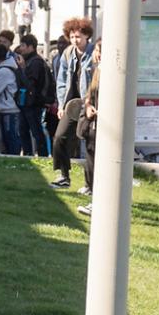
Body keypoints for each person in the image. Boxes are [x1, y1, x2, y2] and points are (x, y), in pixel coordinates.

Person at [50, 17, 96, 189]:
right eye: (72, 37)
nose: (75, 40)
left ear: (87, 36)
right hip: (71, 105)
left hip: (89, 105)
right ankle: (63, 176)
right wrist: (62, 105)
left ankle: (90, 184)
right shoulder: (68, 53)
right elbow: (61, 81)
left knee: (90, 144)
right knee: (59, 138)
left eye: (79, 37)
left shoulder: (94, 53)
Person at [77, 39, 102, 214]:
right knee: (91, 154)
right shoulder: (96, 68)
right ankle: (92, 190)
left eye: (102, 51)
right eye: (98, 50)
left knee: (100, 159)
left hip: (106, 122)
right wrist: (87, 105)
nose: (99, 54)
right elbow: (90, 93)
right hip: (94, 119)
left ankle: (99, 202)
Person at [18, 34, 51, 157]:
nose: (21, 48)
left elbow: (31, 84)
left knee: (35, 130)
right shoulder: (29, 60)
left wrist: (21, 69)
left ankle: (42, 154)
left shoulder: (35, 62)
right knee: (23, 130)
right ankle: (27, 154)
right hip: (26, 102)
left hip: (34, 103)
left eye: (23, 46)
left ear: (31, 47)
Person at [0, 43, 22, 155]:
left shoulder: (4, 71)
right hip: (10, 108)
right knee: (9, 138)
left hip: (9, 109)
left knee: (10, 138)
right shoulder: (11, 66)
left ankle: (13, 161)